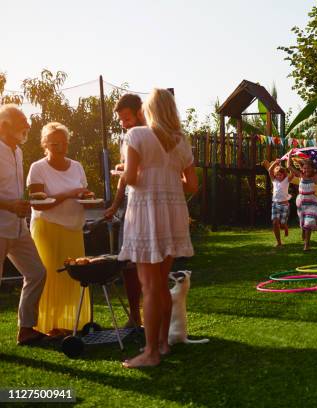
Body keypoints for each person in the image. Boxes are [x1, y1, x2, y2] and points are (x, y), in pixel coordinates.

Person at [119, 88, 198, 368]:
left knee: (150, 286)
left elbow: (130, 177)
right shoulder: (182, 142)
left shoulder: (136, 136)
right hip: (173, 212)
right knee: (160, 283)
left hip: (146, 212)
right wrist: (168, 176)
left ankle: (150, 352)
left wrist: (125, 172)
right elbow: (192, 186)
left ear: (148, 110)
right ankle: (163, 344)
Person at [27, 122, 93, 336]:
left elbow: (81, 192)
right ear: (45, 144)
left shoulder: (77, 166)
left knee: (72, 278)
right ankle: (46, 325)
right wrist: (69, 194)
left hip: (73, 227)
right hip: (48, 228)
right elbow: (37, 204)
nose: (60, 146)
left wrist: (85, 196)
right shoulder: (38, 168)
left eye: (64, 142)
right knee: (50, 276)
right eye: (55, 143)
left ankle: (69, 324)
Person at [0, 104, 47, 345]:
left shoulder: (17, 151)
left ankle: (26, 330)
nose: (26, 127)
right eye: (21, 122)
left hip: (18, 227)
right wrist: (9, 206)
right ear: (4, 125)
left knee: (37, 272)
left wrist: (24, 203)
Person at [104, 93, 145, 328]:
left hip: (149, 203)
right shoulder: (126, 139)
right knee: (128, 262)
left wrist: (127, 170)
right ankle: (134, 317)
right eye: (121, 120)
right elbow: (124, 179)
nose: (124, 124)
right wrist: (115, 206)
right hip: (130, 204)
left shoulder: (154, 135)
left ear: (140, 112)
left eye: (127, 118)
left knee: (149, 262)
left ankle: (154, 314)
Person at [287, 149, 317, 251]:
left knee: (309, 222)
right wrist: (290, 155)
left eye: (308, 168)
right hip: (301, 201)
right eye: (304, 168)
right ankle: (304, 230)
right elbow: (289, 167)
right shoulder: (300, 175)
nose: (306, 170)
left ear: (312, 169)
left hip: (312, 202)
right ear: (302, 169)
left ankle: (306, 245)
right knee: (304, 221)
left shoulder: (315, 177)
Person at [267, 159, 293, 246]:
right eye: (277, 175)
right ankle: (279, 242)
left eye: (280, 175)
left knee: (281, 224)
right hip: (275, 204)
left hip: (285, 205)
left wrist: (290, 163)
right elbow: (270, 170)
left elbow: (292, 174)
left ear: (284, 174)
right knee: (275, 222)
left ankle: (285, 227)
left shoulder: (286, 180)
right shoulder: (274, 181)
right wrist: (275, 162)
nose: (278, 176)